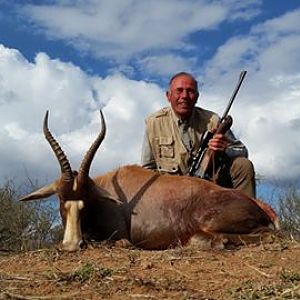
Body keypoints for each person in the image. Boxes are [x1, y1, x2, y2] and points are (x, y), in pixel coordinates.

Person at [141, 72, 256, 198]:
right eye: (179, 91)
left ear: (197, 97)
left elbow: (242, 151)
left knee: (243, 165)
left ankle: (248, 215)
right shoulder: (153, 123)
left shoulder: (213, 120)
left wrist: (225, 149)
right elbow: (147, 170)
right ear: (168, 96)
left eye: (190, 91)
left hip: (209, 186)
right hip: (172, 194)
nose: (184, 96)